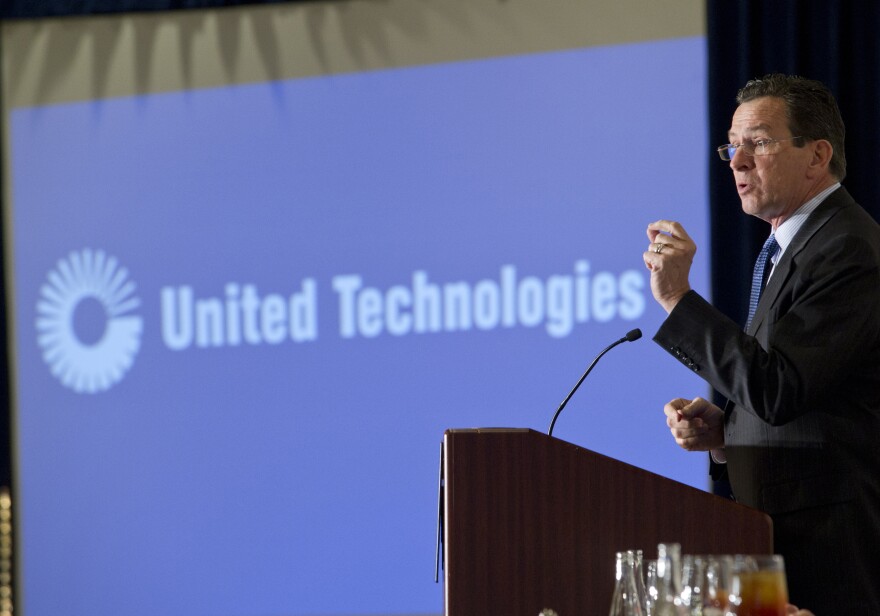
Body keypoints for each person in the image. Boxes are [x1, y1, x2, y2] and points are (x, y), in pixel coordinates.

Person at [643, 73, 880, 614]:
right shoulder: (793, 249)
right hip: (777, 543)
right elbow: (796, 392)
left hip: (830, 553)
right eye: (733, 145)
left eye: (759, 142)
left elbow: (778, 389)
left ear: (817, 155)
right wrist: (728, 435)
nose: (737, 161)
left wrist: (678, 298)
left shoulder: (846, 249)